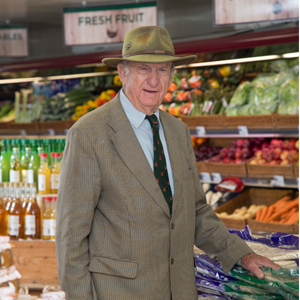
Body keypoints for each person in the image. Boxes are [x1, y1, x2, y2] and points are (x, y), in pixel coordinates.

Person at [56, 26, 279, 300]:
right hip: (120, 292)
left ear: (172, 75)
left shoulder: (177, 131)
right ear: (123, 72)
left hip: (179, 290)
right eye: (143, 69)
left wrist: (241, 254)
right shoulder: (90, 133)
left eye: (162, 70)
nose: (153, 79)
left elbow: (195, 212)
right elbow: (71, 233)